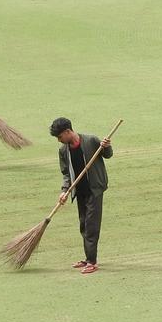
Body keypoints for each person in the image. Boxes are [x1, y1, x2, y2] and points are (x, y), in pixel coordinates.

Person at [50, 117, 113, 273]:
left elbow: (107, 155)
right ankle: (88, 258)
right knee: (84, 224)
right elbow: (66, 173)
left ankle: (92, 261)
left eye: (59, 137)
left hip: (95, 189)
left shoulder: (91, 140)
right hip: (80, 191)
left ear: (67, 131)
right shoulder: (63, 150)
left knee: (92, 225)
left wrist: (106, 147)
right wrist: (64, 190)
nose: (59, 140)